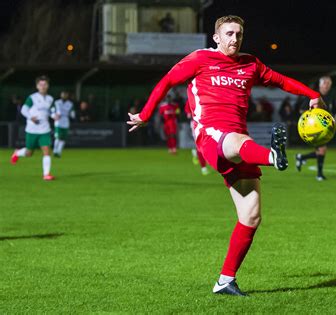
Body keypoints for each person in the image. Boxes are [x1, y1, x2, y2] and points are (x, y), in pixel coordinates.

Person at [127, 15, 324, 296]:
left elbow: (280, 80)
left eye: (239, 34)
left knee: (251, 214)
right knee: (235, 141)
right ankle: (272, 156)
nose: (234, 39)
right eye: (229, 34)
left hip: (239, 143)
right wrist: (145, 115)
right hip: (211, 134)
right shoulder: (200, 59)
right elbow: (167, 82)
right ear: (217, 38)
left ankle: (225, 281)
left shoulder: (250, 64)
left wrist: (311, 93)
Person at [10, 75, 55, 180]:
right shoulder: (32, 98)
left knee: (46, 150)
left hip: (45, 129)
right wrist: (31, 117)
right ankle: (17, 152)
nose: (43, 86)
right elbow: (23, 110)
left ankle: (46, 174)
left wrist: (54, 116)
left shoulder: (50, 99)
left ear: (48, 86)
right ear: (37, 86)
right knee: (29, 153)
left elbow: (50, 112)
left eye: (45, 84)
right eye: (40, 84)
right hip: (32, 130)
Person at [295, 76, 332, 181]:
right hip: (313, 128)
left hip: (323, 128)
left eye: (328, 84)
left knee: (321, 151)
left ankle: (301, 157)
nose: (327, 86)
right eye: (325, 83)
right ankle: (319, 174)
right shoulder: (313, 96)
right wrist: (313, 117)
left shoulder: (328, 98)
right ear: (320, 85)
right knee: (322, 149)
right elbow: (301, 110)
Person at [185, 100, 209, 175]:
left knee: (206, 144)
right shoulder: (192, 97)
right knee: (200, 144)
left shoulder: (193, 95)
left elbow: (188, 114)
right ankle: (203, 167)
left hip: (207, 123)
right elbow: (188, 114)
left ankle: (196, 153)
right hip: (197, 124)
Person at [51, 91, 75, 157]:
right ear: (61, 95)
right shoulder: (57, 102)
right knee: (58, 137)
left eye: (66, 94)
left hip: (66, 122)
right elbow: (52, 111)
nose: (64, 96)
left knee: (63, 138)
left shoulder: (70, 104)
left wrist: (73, 115)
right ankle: (55, 150)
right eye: (63, 94)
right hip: (58, 122)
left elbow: (72, 113)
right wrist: (54, 116)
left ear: (67, 96)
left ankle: (59, 152)